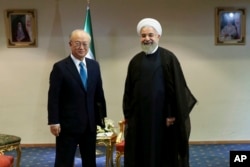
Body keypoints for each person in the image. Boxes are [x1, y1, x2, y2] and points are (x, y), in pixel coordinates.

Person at [122, 18, 197, 167]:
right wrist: (128, 115)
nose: (147, 39)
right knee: (141, 152)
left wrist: (170, 113)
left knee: (163, 152)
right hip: (140, 118)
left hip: (163, 118)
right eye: (144, 36)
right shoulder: (135, 61)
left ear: (158, 36)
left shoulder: (168, 58)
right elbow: (128, 91)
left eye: (150, 35)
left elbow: (176, 89)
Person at [47, 29, 106, 167]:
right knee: (64, 161)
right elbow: (53, 96)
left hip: (89, 125)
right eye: (77, 43)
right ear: (70, 44)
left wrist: (101, 118)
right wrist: (53, 121)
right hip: (67, 125)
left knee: (90, 160)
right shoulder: (60, 67)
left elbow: (99, 94)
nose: (81, 47)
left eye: (85, 44)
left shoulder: (94, 66)